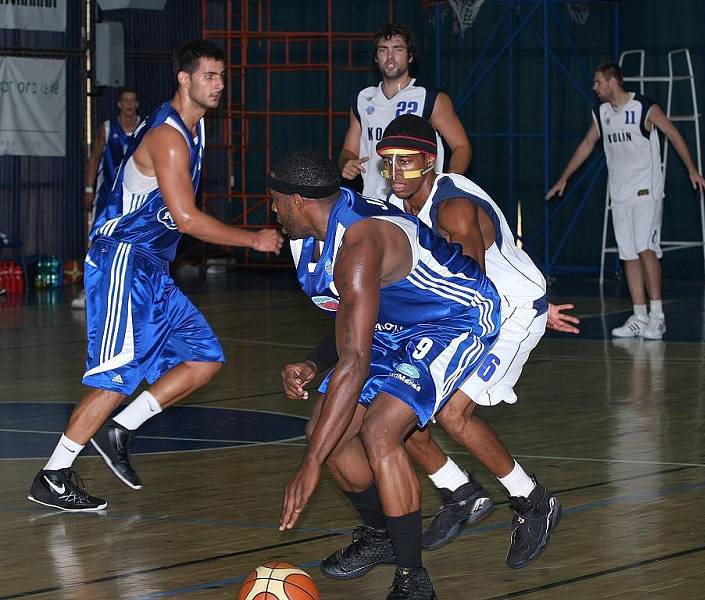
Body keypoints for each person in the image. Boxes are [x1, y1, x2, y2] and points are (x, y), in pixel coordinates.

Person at [282, 115, 574, 570]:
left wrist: (541, 306)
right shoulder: (388, 210)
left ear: (430, 163)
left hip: (502, 312)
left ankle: (531, 499)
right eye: (388, 161)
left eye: (406, 162)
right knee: (399, 404)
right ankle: (459, 491)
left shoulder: (450, 208)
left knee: (450, 412)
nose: (395, 171)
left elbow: (471, 282)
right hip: (435, 320)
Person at [28, 40, 283, 512]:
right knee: (114, 379)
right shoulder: (167, 136)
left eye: (222, 76)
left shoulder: (196, 128)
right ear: (183, 80)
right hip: (123, 258)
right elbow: (186, 219)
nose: (219, 83)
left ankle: (121, 427)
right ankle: (54, 474)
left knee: (204, 359)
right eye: (209, 75)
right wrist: (253, 239)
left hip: (151, 267)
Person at [271, 149, 500, 599]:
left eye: (275, 200)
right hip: (395, 327)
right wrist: (315, 364)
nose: (272, 209)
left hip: (455, 317)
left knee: (380, 432)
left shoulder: (359, 243)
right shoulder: (309, 238)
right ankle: (381, 537)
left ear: (298, 200)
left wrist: (309, 467)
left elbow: (355, 360)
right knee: (326, 431)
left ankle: (414, 581)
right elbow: (349, 324)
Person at [546, 62, 705, 340]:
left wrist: (692, 169)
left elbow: (673, 133)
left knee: (646, 247)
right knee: (629, 254)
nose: (594, 88)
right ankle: (639, 314)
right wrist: (564, 178)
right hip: (619, 194)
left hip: (646, 190)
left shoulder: (644, 107)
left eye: (598, 82)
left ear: (612, 81)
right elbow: (587, 144)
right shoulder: (602, 112)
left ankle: (657, 315)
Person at [339, 22, 471, 199]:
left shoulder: (429, 97)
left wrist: (447, 184)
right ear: (376, 58)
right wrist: (347, 163)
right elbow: (348, 152)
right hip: (373, 201)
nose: (390, 56)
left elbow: (462, 147)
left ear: (410, 56)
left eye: (398, 49)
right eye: (383, 50)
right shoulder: (362, 99)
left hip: (418, 202)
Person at [73, 87, 141, 310]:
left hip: (135, 197)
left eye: (132, 100)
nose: (129, 104)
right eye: (125, 101)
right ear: (119, 104)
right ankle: (89, 290)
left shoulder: (146, 128)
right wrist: (89, 188)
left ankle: (132, 292)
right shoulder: (107, 127)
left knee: (134, 245)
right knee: (98, 242)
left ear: (136, 104)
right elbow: (94, 159)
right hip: (107, 197)